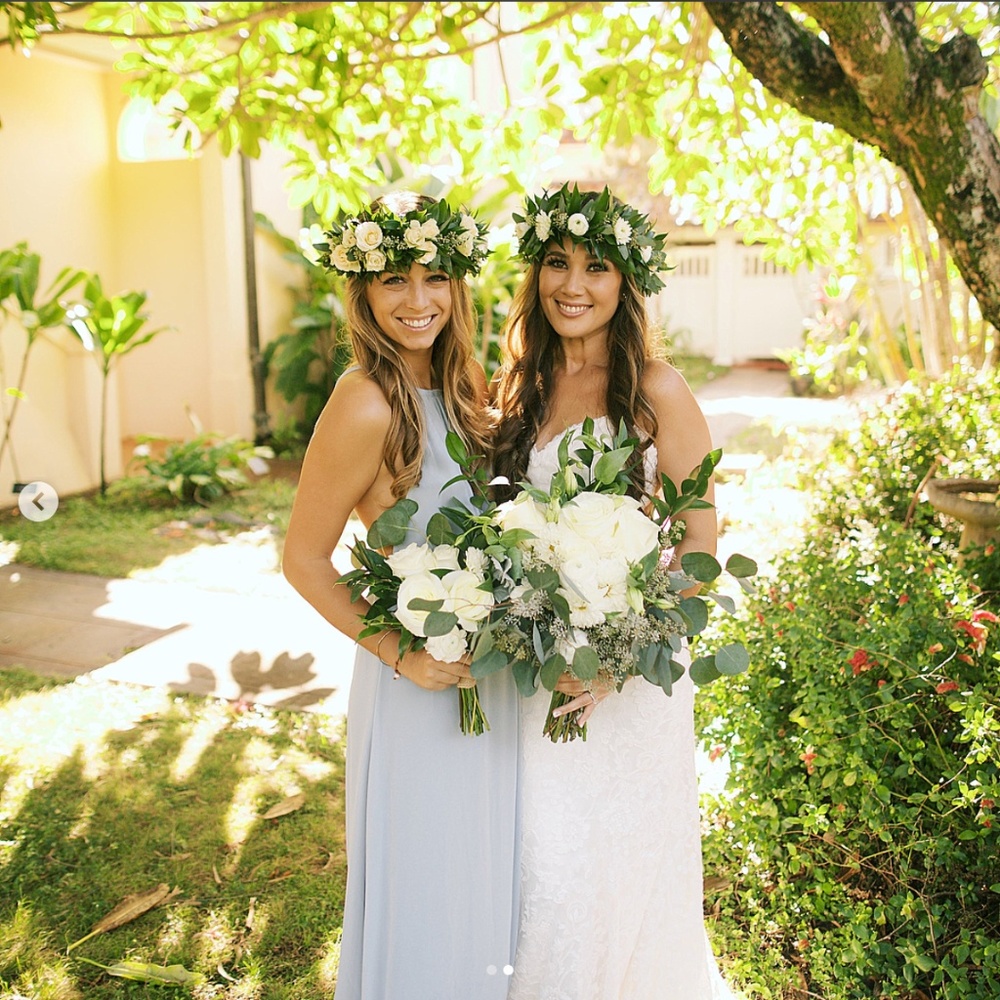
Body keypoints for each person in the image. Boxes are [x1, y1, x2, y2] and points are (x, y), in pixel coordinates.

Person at [492, 183, 740, 999]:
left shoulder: (659, 391)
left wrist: (617, 663)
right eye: (557, 263)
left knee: (619, 876)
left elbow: (700, 551)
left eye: (596, 267)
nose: (573, 284)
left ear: (627, 281)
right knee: (548, 875)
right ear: (535, 276)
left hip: (626, 689)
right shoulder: (517, 387)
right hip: (535, 680)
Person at [282, 191, 519, 1000]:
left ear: (457, 287)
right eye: (393, 282)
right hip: (416, 679)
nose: (417, 302)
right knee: (427, 882)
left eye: (434, 279)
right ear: (363, 294)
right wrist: (403, 656)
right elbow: (305, 559)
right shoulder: (364, 401)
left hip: (483, 676)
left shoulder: (460, 389)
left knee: (477, 876)